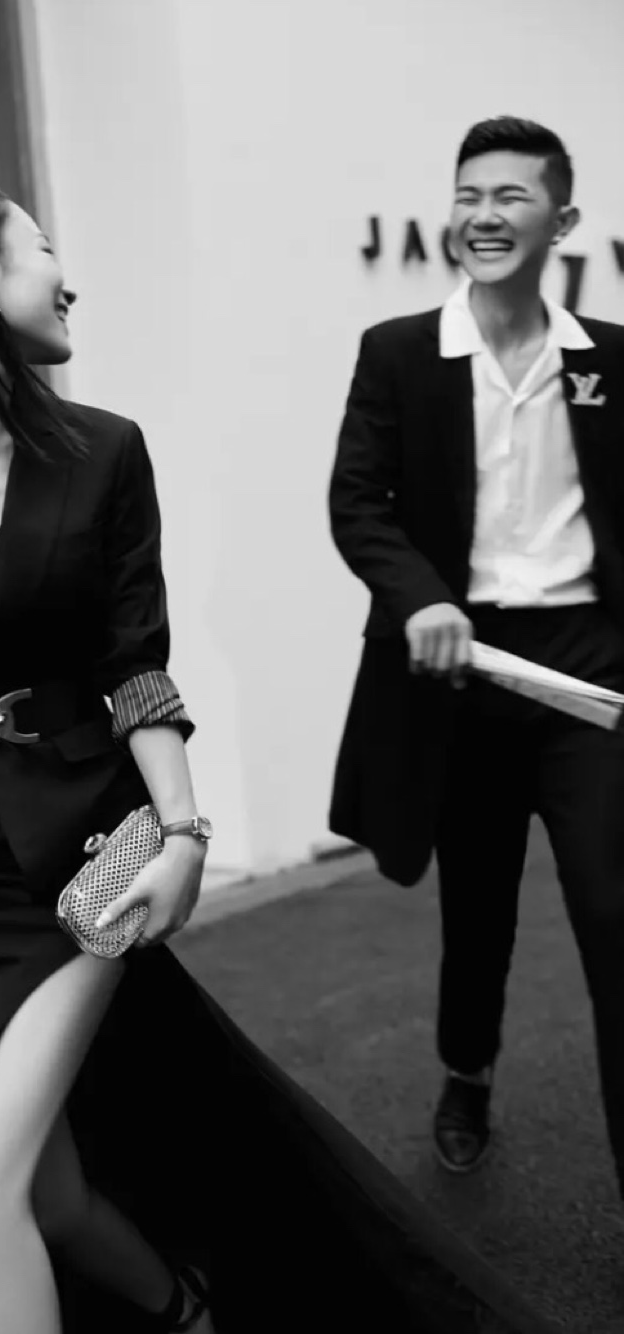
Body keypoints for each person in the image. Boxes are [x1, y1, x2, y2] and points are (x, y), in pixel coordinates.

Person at [0, 180, 563, 1334]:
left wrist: (181, 831)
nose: (66, 278)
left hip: (94, 850)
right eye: (41, 250)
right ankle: (182, 1306)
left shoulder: (101, 451)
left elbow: (135, 662)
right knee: (47, 1188)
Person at [329, 116, 624, 1188]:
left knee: (614, 910)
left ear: (563, 219)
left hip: (588, 665)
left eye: (510, 196)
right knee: (479, 906)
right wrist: (420, 600)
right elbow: (358, 503)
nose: (484, 215)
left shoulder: (609, 359)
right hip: (461, 666)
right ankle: (467, 1069)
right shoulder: (400, 353)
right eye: (468, 195)